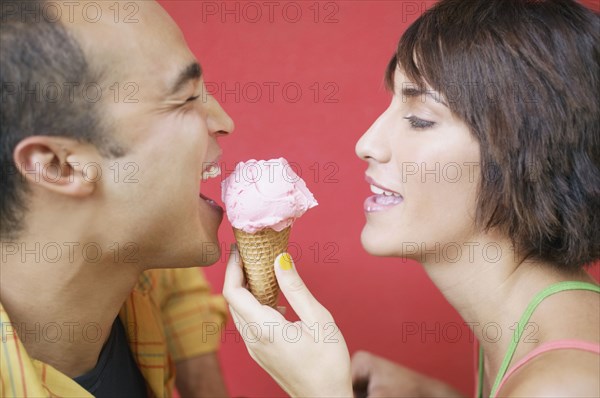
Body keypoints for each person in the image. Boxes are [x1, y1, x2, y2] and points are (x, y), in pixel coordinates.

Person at [223, 0, 600, 396]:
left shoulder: (563, 384)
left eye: (421, 119)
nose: (366, 144)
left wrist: (321, 391)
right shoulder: (530, 331)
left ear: (528, 156)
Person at [1, 1, 233, 396]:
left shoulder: (135, 255)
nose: (225, 122)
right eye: (186, 98)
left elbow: (177, 284)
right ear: (60, 166)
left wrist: (203, 379)